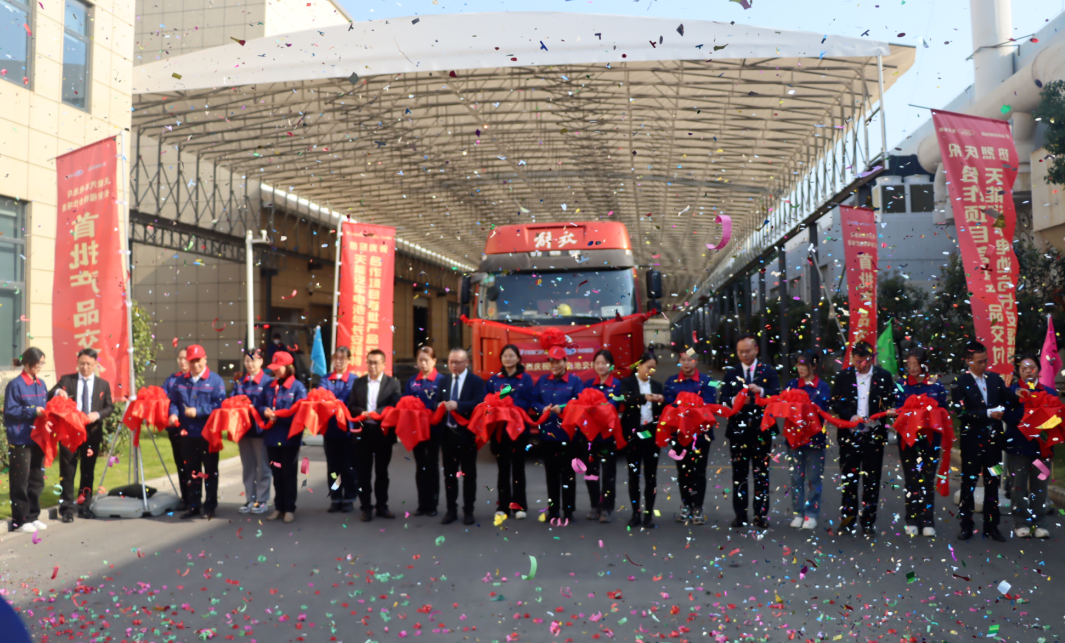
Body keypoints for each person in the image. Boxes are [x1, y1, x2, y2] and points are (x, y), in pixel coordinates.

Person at [830, 340, 897, 537]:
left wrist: (885, 411)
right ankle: (848, 520)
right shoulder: (844, 376)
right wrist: (850, 416)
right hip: (850, 435)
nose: (860, 365)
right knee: (849, 481)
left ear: (872, 358)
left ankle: (868, 521)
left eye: (864, 361)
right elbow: (835, 402)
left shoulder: (883, 376)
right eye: (857, 361)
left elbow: (890, 399)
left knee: (871, 481)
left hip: (874, 436)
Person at [951, 341, 1015, 542]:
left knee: (993, 482)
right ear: (968, 361)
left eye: (985, 360)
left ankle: (992, 526)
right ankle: (966, 524)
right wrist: (987, 413)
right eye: (979, 362)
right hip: (971, 443)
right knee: (968, 483)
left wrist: (1018, 393)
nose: (984, 364)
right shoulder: (959, 383)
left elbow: (1009, 400)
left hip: (994, 444)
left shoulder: (995, 379)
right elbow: (960, 413)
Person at [718, 334, 780, 529]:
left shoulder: (768, 371)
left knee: (761, 474)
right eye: (740, 352)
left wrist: (761, 391)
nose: (744, 355)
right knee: (739, 475)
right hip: (738, 432)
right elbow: (722, 400)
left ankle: (761, 515)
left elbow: (777, 394)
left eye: (747, 351)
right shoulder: (731, 373)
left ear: (756, 350)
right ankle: (740, 515)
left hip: (762, 430)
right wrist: (735, 400)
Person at [50, 348, 114, 522]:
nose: (85, 367)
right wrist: (58, 392)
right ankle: (67, 509)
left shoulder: (103, 384)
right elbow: (49, 394)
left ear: (95, 364)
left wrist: (97, 414)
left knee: (87, 471)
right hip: (70, 433)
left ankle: (84, 506)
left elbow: (109, 407)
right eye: (82, 364)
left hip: (91, 432)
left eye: (89, 364)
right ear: (77, 363)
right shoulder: (67, 380)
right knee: (67, 471)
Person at [167, 344, 227, 519]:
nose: (195, 364)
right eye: (191, 361)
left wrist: (199, 411)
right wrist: (173, 414)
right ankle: (193, 505)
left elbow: (220, 404)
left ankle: (209, 506)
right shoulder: (180, 381)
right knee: (191, 471)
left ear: (205, 359)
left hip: (207, 434)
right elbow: (173, 402)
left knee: (209, 471)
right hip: (187, 434)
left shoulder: (215, 380)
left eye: (198, 360)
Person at [895, 348, 948, 537]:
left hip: (931, 439)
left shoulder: (936, 385)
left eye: (915, 364)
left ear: (924, 365)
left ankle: (927, 520)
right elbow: (896, 407)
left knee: (927, 479)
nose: (912, 368)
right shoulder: (901, 385)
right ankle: (911, 519)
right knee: (911, 479)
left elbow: (943, 410)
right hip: (908, 440)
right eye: (909, 364)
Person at [663, 351, 719, 525]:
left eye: (690, 360)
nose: (686, 363)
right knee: (683, 472)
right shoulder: (671, 381)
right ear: (679, 362)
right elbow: (669, 402)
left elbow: (709, 401)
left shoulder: (708, 380)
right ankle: (686, 505)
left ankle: (698, 508)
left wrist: (684, 404)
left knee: (699, 472)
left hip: (701, 435)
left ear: (696, 361)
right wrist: (691, 404)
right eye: (683, 360)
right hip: (679, 434)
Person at [348, 349, 402, 522]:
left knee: (382, 473)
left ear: (384, 364)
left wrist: (375, 413)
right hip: (363, 434)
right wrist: (362, 413)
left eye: (376, 363)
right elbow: (351, 405)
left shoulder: (393, 383)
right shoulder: (358, 382)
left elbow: (394, 405)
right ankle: (366, 507)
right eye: (370, 362)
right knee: (363, 474)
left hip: (382, 433)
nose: (372, 366)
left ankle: (382, 506)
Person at [533, 347, 584, 523]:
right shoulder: (542, 381)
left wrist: (562, 408)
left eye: (558, 361)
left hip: (568, 436)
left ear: (566, 361)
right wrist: (542, 408)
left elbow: (579, 402)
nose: (555, 364)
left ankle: (568, 511)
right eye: (552, 361)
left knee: (568, 474)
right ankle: (553, 510)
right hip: (547, 436)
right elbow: (534, 401)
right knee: (551, 474)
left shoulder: (575, 381)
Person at [1004, 355, 1052, 538]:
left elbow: (1057, 418)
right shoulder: (1011, 392)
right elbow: (1007, 416)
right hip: (1019, 447)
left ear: (1038, 370)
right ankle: (1021, 522)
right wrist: (1027, 412)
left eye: (1031, 367)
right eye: (1023, 368)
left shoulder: (1049, 392)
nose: (1028, 371)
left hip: (1042, 448)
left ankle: (1040, 523)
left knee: (1040, 486)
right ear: (1018, 371)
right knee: (1018, 485)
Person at [486, 344, 535, 520]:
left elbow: (526, 402)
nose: (508, 359)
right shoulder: (494, 380)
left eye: (511, 355)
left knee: (518, 469)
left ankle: (519, 506)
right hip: (499, 431)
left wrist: (506, 404)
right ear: (501, 359)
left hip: (519, 431)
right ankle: (503, 506)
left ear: (518, 358)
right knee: (503, 469)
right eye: (505, 356)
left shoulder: (525, 379)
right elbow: (486, 402)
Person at [258, 351, 308, 523]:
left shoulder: (298, 387)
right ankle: (278, 507)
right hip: (272, 438)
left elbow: (300, 413)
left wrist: (278, 416)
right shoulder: (268, 386)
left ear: (288, 367)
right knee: (276, 474)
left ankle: (289, 508)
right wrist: (264, 411)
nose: (275, 371)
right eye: (274, 368)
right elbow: (259, 404)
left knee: (288, 474)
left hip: (289, 439)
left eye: (278, 367)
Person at [438, 348, 486, 525]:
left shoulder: (476, 381)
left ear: (467, 362)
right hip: (448, 434)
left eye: (457, 362)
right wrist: (439, 405)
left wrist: (459, 406)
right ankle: (451, 510)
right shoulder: (443, 380)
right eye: (451, 362)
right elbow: (435, 401)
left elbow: (479, 403)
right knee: (449, 475)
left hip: (467, 434)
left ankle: (468, 510)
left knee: (469, 474)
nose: (454, 365)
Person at [783, 351, 830, 531]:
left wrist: (805, 405)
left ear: (814, 366)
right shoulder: (791, 384)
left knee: (814, 478)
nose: (801, 368)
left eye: (804, 364)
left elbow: (823, 408)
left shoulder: (822, 386)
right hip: (794, 438)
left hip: (814, 439)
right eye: (798, 364)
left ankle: (811, 514)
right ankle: (798, 513)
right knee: (796, 477)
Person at [5, 348, 49, 533]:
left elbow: (46, 406)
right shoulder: (15, 385)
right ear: (29, 363)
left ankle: (33, 516)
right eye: (39, 363)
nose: (41, 366)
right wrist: (32, 411)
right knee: (20, 480)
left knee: (37, 479)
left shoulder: (41, 383)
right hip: (20, 438)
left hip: (39, 437)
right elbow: (10, 411)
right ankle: (20, 520)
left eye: (42, 363)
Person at [619, 352, 665, 528]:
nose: (650, 371)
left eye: (654, 368)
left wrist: (661, 400)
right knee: (634, 475)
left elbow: (663, 409)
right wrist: (644, 397)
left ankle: (649, 514)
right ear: (639, 365)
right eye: (648, 367)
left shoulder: (656, 385)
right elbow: (625, 399)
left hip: (651, 434)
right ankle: (635, 512)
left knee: (651, 476)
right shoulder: (628, 382)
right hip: (634, 434)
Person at [581, 349, 623, 523]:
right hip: (591, 436)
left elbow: (613, 405)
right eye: (597, 363)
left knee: (608, 473)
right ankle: (594, 506)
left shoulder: (617, 385)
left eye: (604, 363)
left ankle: (607, 507)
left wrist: (596, 408)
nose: (600, 366)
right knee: (591, 472)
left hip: (607, 436)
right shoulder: (588, 384)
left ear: (611, 365)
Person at [232, 349, 274, 515]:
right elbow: (232, 400)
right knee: (248, 467)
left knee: (263, 467)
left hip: (260, 431)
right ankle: (250, 499)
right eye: (247, 361)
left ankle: (262, 500)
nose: (250, 364)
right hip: (243, 431)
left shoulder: (268, 382)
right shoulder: (239, 382)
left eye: (253, 360)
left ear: (261, 361)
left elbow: (269, 404)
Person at [407, 346, 443, 517]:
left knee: (432, 466)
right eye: (420, 360)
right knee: (420, 466)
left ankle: (433, 504)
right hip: (417, 430)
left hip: (434, 429)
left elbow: (441, 403)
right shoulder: (412, 381)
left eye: (426, 360)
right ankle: (422, 504)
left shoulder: (441, 380)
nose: (423, 363)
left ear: (434, 361)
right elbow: (405, 401)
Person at [320, 347, 357, 513]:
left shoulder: (355, 380)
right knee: (333, 467)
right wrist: (338, 403)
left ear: (349, 360)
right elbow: (321, 398)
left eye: (343, 358)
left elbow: (353, 401)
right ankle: (335, 498)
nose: (339, 361)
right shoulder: (325, 379)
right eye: (336, 358)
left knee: (348, 465)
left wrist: (335, 402)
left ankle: (349, 497)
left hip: (348, 430)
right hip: (330, 429)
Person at [162, 349, 191, 511]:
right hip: (174, 428)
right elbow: (163, 396)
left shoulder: (193, 379)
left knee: (191, 464)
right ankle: (185, 497)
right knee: (180, 463)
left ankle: (194, 498)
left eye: (186, 358)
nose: (183, 361)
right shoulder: (172, 379)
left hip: (190, 428)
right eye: (180, 358)